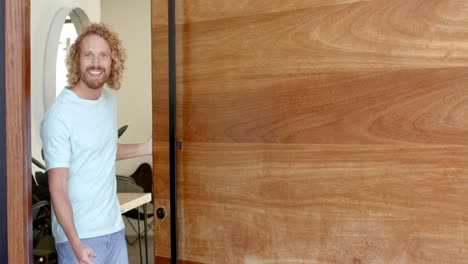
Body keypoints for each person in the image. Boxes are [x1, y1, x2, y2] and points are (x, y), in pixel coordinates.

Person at [40, 23, 152, 264]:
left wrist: (145, 148)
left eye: (103, 55)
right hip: (80, 237)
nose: (96, 63)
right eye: (88, 54)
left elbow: (102, 150)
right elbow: (57, 186)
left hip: (114, 227)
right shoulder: (60, 115)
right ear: (76, 60)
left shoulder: (108, 102)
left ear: (113, 62)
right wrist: (75, 243)